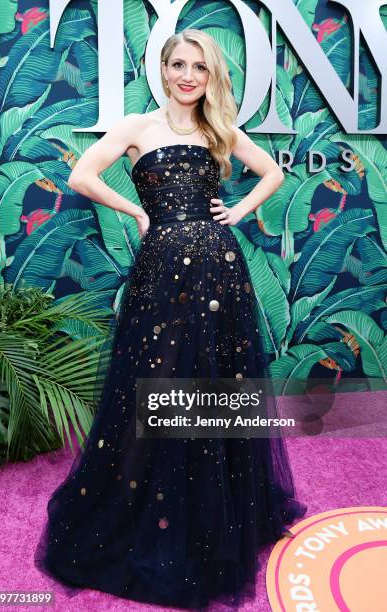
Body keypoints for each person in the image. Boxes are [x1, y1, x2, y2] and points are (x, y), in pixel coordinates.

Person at [34, 28, 307, 611]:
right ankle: (143, 508)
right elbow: (82, 175)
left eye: (199, 68)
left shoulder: (219, 132)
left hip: (221, 275)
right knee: (155, 386)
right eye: (178, 64)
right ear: (162, 69)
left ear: (211, 77)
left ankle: (215, 512)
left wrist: (237, 210)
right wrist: (136, 210)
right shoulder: (137, 127)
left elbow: (274, 174)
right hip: (161, 274)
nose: (188, 75)